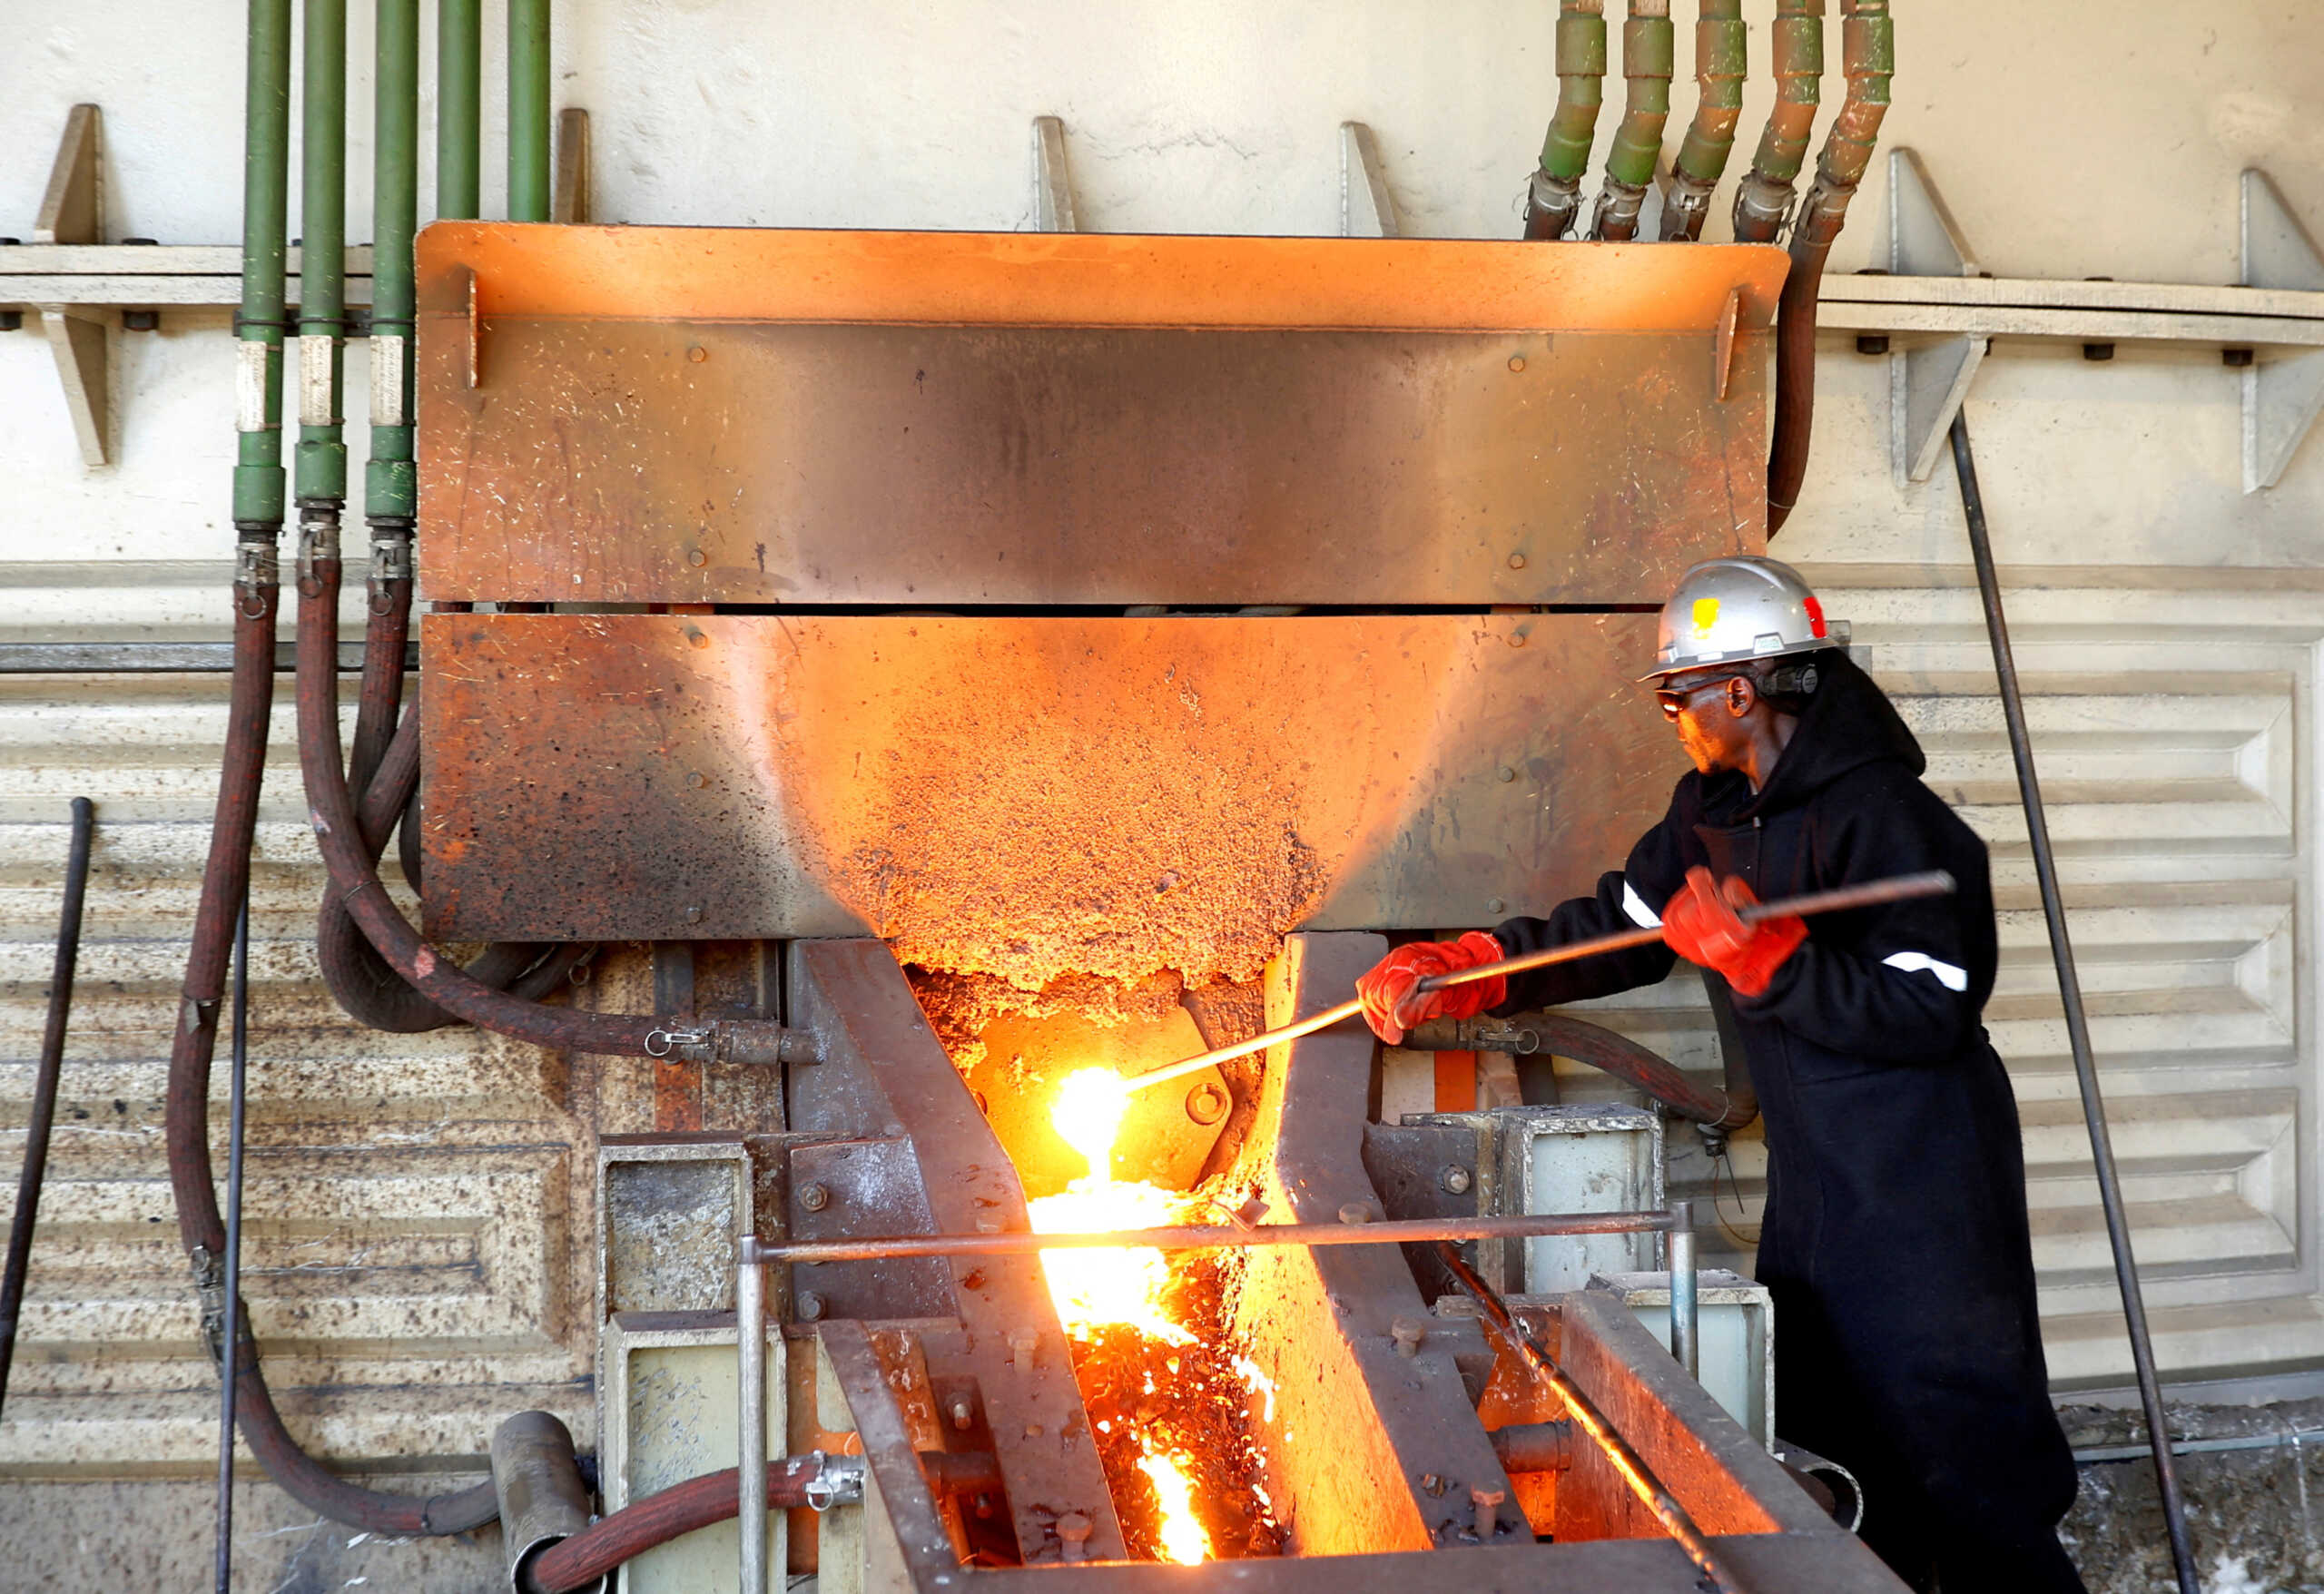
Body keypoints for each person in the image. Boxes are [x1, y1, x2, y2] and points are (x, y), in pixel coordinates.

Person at [1356, 556, 2084, 1593]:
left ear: (1739, 690)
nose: (1671, 715)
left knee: (1964, 1459)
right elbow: (1625, 924)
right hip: (1822, 1177)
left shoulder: (1892, 820)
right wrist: (1481, 968)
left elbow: (1929, 1009)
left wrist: (1766, 961)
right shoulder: (1716, 810)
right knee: (1836, 1441)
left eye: (1675, 693)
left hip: (1924, 1184)